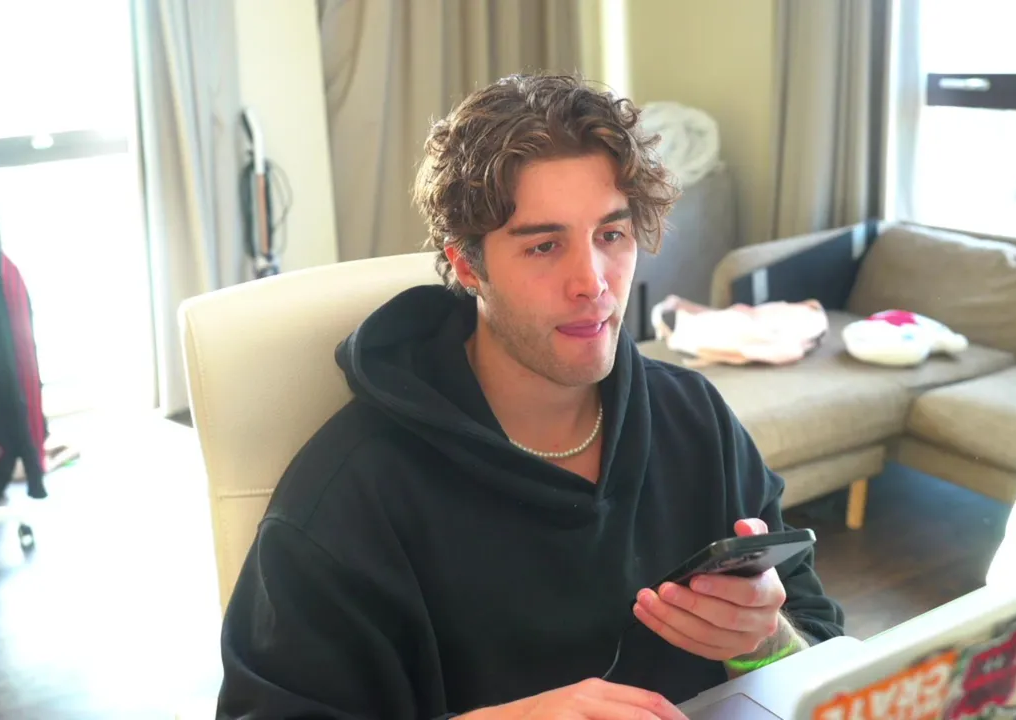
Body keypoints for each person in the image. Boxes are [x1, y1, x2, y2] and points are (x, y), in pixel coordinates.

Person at [216, 73, 845, 720]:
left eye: (611, 235)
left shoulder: (694, 419)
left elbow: (827, 658)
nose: (592, 283)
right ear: (467, 265)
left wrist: (763, 642)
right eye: (545, 246)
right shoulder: (349, 495)